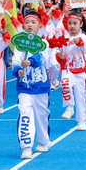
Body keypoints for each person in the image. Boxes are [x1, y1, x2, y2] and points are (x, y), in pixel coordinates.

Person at [13, 11, 52, 160]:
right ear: (23, 25)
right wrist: (18, 71)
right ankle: (26, 146)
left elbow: (42, 57)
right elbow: (16, 60)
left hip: (41, 86)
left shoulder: (44, 43)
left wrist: (30, 62)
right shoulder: (19, 45)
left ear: (39, 26)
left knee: (42, 115)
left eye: (33, 22)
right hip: (24, 87)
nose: (30, 25)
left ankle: (43, 141)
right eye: (27, 22)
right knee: (25, 113)